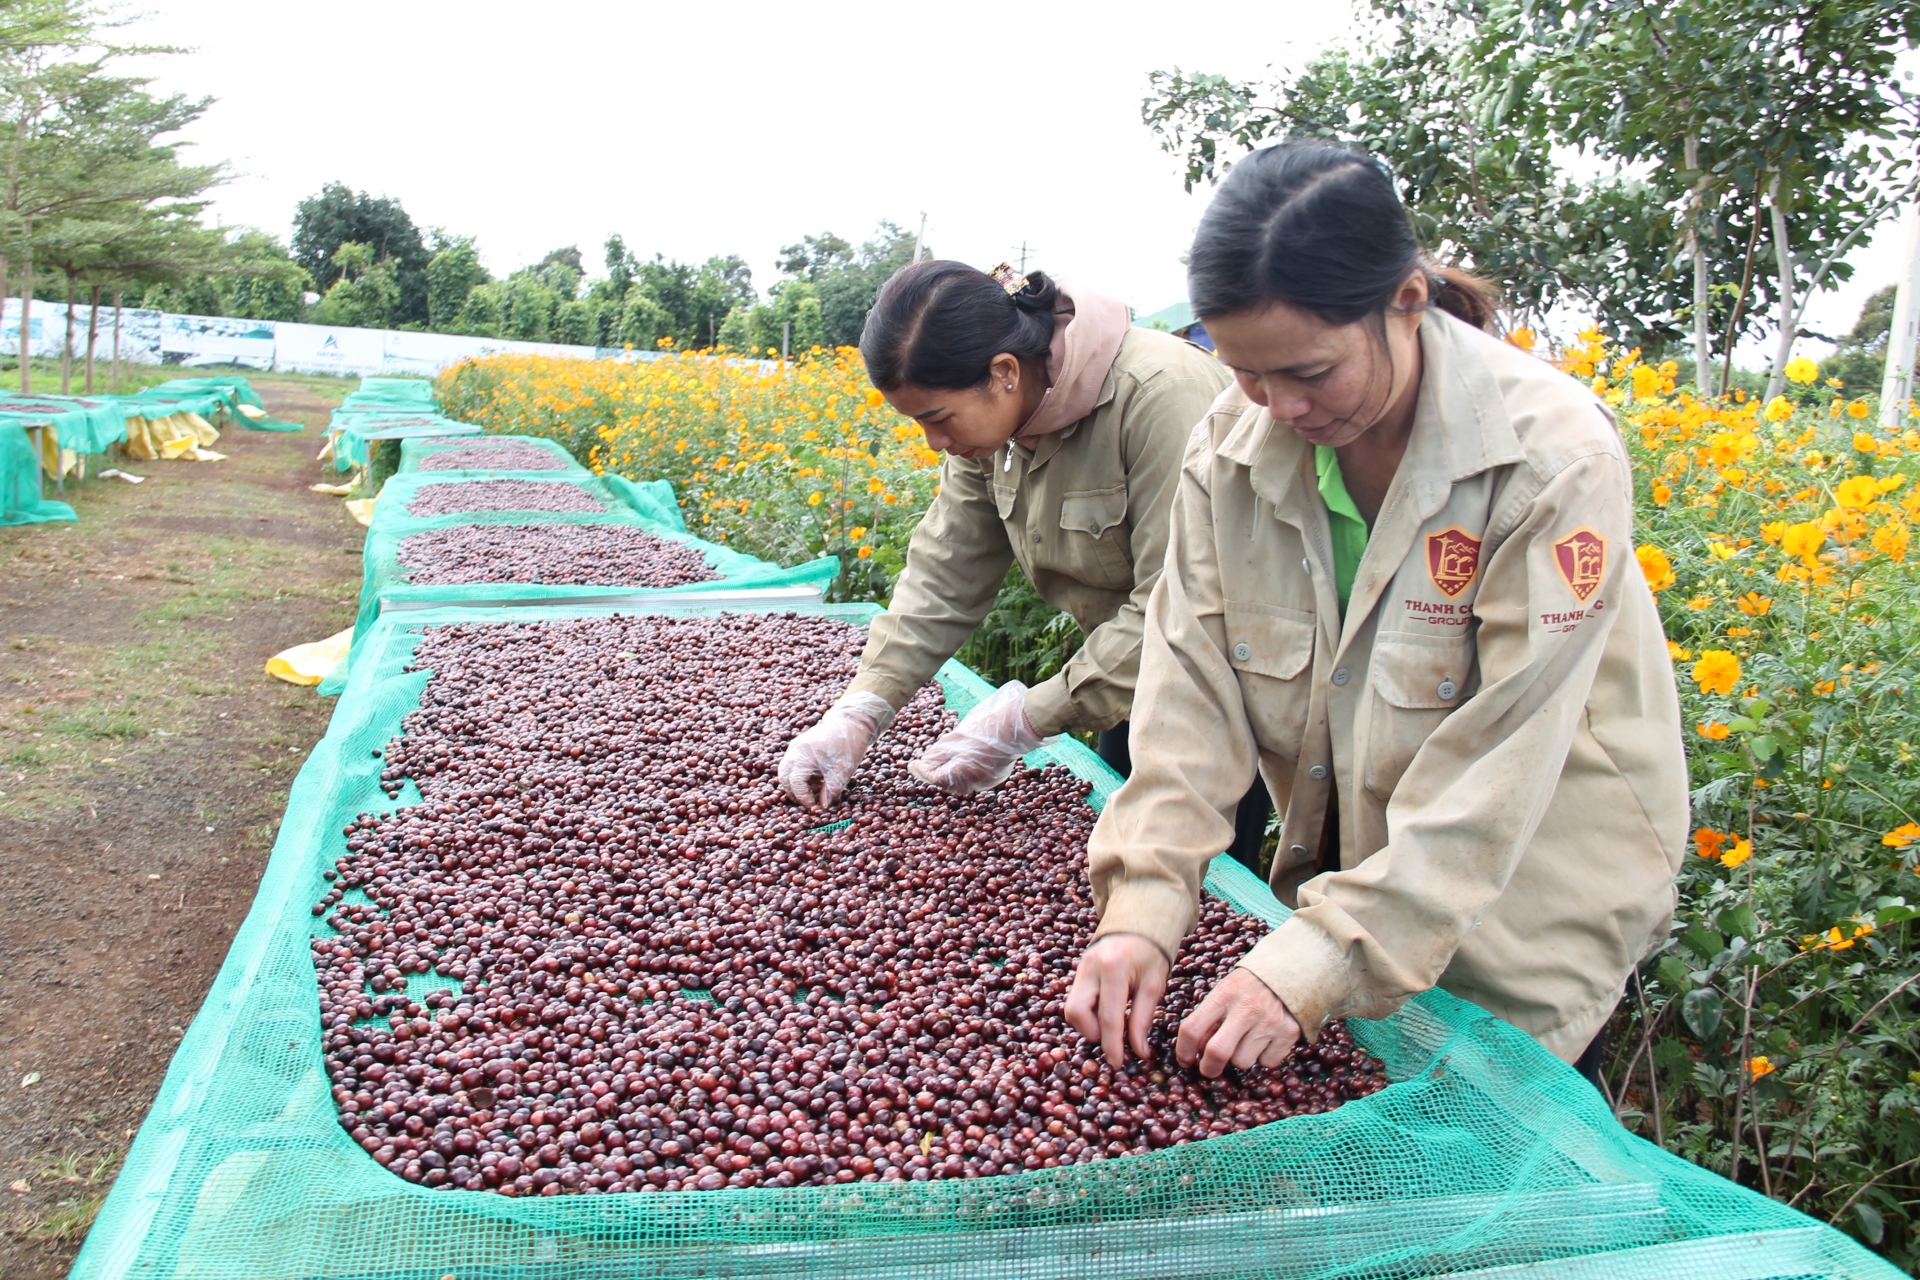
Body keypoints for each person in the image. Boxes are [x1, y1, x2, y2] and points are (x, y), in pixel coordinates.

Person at [1063, 143, 1686, 1090]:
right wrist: (1142, 903)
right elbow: (1189, 686)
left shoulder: (1549, 457)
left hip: (1527, 891)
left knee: (1492, 1162)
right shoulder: (1229, 448)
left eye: (1309, 371)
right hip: (1363, 869)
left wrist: (1313, 967)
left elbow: (1505, 757)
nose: (1279, 406)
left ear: (1405, 299)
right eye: (1246, 373)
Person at [777, 259, 1274, 871]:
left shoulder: (1160, 399)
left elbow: (1181, 608)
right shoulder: (993, 429)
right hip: (1126, 673)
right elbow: (944, 573)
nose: (934, 441)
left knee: (1198, 878)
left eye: (936, 418)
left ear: (1004, 372)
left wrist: (1028, 717)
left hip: (1237, 678)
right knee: (1116, 856)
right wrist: (861, 709)